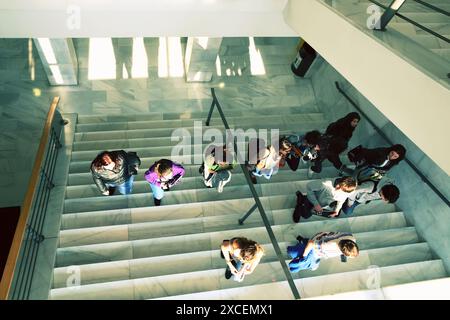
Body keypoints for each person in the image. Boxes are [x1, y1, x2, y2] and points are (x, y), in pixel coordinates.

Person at [292, 176, 357, 222]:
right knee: (305, 215)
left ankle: (302, 199)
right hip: (313, 199)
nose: (337, 187)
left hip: (324, 203)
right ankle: (299, 204)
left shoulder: (350, 192)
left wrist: (337, 210)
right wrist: (316, 204)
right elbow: (309, 186)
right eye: (339, 185)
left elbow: (342, 200)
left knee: (336, 214)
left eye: (341, 189)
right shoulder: (325, 183)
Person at [287, 232, 359, 273]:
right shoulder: (329, 246)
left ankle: (302, 243)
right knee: (313, 266)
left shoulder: (352, 238)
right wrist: (304, 256)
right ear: (343, 252)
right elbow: (311, 243)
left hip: (323, 235)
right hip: (316, 249)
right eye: (348, 256)